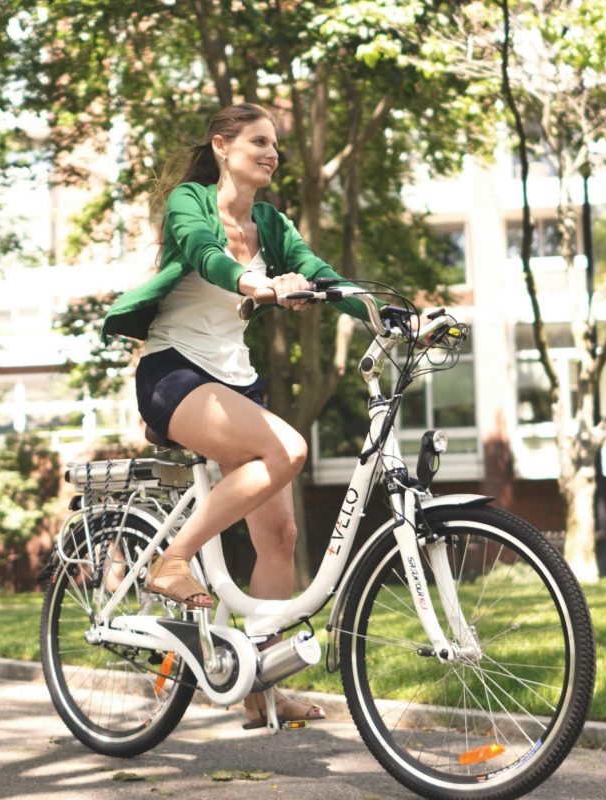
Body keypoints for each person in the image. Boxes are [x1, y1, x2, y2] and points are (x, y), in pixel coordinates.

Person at [102, 103, 367, 728]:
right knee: (289, 451)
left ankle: (260, 689)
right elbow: (200, 253)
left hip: (237, 383)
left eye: (276, 144)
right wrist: (254, 284)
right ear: (223, 146)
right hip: (175, 373)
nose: (272, 153)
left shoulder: (271, 222)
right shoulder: (191, 203)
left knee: (278, 536)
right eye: (259, 141)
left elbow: (317, 272)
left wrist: (383, 311)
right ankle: (175, 560)